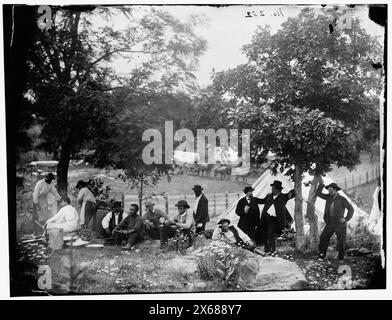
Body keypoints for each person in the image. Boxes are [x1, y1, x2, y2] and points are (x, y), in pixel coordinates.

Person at [317, 179, 354, 261]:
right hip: (330, 223)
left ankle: (340, 258)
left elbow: (351, 209)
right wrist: (321, 184)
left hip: (340, 224)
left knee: (341, 241)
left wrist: (346, 219)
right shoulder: (328, 197)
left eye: (330, 190)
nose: (328, 191)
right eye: (328, 190)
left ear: (335, 190)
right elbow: (318, 193)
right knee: (323, 237)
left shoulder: (342, 199)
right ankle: (322, 255)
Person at [259, 180, 295, 256]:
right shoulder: (269, 196)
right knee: (265, 234)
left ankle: (273, 250)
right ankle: (267, 250)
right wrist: (253, 199)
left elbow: (293, 193)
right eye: (272, 188)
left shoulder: (284, 197)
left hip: (275, 219)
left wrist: (293, 191)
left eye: (273, 188)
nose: (272, 189)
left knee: (270, 234)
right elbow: (262, 201)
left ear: (278, 189)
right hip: (266, 218)